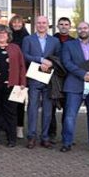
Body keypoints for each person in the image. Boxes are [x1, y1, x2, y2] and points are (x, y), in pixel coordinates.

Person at [60, 21, 89, 154]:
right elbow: (67, 63)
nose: (83, 30)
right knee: (70, 116)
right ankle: (67, 143)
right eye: (80, 28)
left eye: (85, 28)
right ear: (77, 30)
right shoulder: (68, 45)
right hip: (74, 84)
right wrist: (83, 74)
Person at [22, 16, 61, 149]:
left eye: (44, 23)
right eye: (38, 22)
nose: (41, 25)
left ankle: (45, 137)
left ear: (48, 25)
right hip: (34, 77)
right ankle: (31, 137)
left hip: (49, 78)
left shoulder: (55, 41)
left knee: (48, 110)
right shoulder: (28, 39)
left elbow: (59, 57)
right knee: (32, 108)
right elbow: (25, 55)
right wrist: (40, 60)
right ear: (35, 24)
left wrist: (50, 64)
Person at [9, 14, 29, 138]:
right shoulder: (7, 36)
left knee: (19, 101)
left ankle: (19, 127)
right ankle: (8, 126)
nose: (16, 25)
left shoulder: (27, 37)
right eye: (14, 23)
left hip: (21, 73)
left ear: (22, 24)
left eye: (19, 23)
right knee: (8, 102)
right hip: (8, 73)